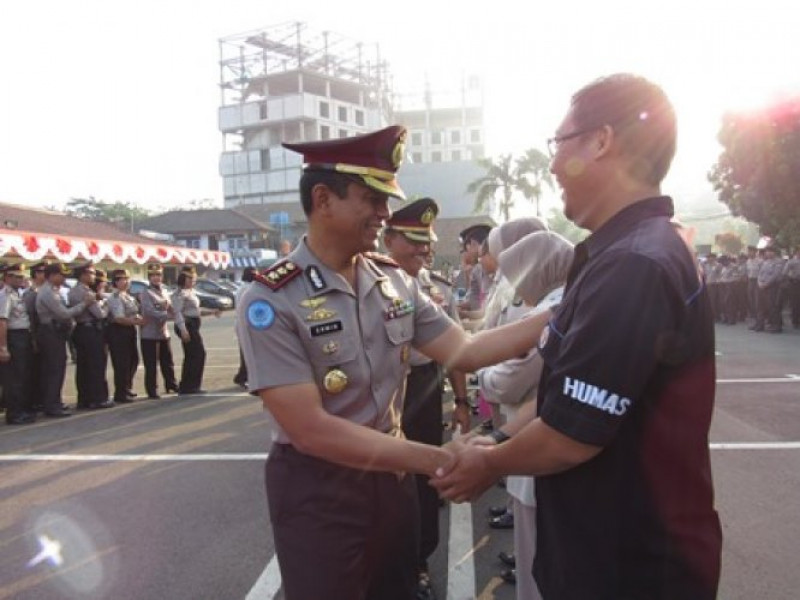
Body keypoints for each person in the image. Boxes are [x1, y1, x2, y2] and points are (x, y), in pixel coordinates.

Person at [433, 74, 722, 599]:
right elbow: (561, 394)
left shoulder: (633, 264)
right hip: (607, 551)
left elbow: (572, 434)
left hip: (628, 568)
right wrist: (499, 440)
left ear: (602, 140)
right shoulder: (618, 254)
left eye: (559, 142)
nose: (551, 165)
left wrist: (488, 463)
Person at [236, 125, 551, 600]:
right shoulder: (270, 298)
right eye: (372, 198)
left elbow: (466, 350)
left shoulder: (394, 281)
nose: (385, 213)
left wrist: (566, 311)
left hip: (393, 479)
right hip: (320, 487)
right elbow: (311, 430)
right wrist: (439, 459)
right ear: (323, 199)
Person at [473, 230, 574, 599]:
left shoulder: (553, 310)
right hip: (531, 436)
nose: (515, 284)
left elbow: (510, 381)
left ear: (538, 269)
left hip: (538, 446)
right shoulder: (561, 300)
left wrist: (480, 373)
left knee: (538, 568)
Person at [382, 196, 470, 600]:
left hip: (423, 385)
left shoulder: (436, 288)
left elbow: (459, 351)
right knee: (380, 478)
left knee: (422, 480)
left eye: (427, 242)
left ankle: (418, 561)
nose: (424, 249)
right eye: (413, 240)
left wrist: (462, 402)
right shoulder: (365, 283)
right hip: (384, 386)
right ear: (388, 239)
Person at [36, 262, 96, 417]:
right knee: (54, 370)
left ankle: (54, 402)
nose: (64, 279)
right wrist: (85, 303)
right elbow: (64, 314)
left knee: (57, 369)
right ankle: (52, 405)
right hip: (50, 332)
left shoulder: (54, 290)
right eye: (62, 275)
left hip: (56, 332)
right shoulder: (48, 292)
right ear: (52, 275)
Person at [69, 263, 114, 410]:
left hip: (81, 330)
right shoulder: (86, 292)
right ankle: (98, 398)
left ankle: (85, 399)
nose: (93, 276)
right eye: (91, 273)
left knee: (83, 367)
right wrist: (107, 304)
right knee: (96, 366)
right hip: (91, 331)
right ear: (83, 274)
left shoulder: (73, 290)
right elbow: (100, 314)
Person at [172, 266, 219, 394]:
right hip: (186, 325)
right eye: (190, 278)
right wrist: (183, 330)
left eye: (193, 279)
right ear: (183, 279)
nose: (192, 281)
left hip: (192, 324)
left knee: (192, 355)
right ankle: (190, 385)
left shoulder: (190, 292)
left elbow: (196, 311)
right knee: (198, 354)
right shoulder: (179, 293)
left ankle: (189, 385)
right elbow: (177, 313)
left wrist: (211, 312)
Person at [0, 263, 36, 425]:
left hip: (22, 336)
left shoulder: (16, 294)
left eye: (22, 276)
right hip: (13, 337)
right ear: (8, 277)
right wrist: (3, 348)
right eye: (18, 276)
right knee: (14, 378)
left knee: (22, 375)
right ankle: (14, 413)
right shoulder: (5, 295)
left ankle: (21, 409)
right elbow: (2, 322)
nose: (22, 279)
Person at [139, 263, 178, 399]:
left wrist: (176, 313)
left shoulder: (164, 291)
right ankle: (152, 389)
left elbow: (170, 307)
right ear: (149, 277)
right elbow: (150, 311)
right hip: (149, 333)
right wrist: (169, 316)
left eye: (159, 275)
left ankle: (171, 384)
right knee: (151, 364)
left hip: (163, 332)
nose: (156, 278)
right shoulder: (146, 293)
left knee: (167, 361)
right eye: (153, 275)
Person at [106, 269, 144, 404]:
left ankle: (127, 387)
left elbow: (133, 312)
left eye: (127, 279)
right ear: (115, 282)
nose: (125, 282)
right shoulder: (115, 297)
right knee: (122, 363)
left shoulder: (128, 296)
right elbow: (119, 318)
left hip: (129, 330)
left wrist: (137, 318)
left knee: (133, 360)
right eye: (121, 279)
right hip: (119, 332)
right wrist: (136, 322)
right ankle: (121, 392)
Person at [233, 266, 256, 388]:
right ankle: (243, 377)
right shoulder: (248, 289)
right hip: (246, 323)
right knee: (248, 352)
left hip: (243, 323)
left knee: (246, 351)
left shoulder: (243, 288)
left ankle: (242, 376)